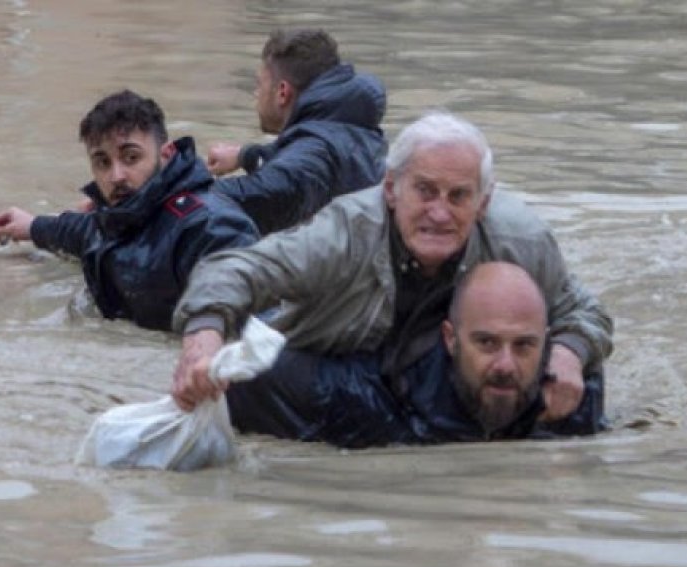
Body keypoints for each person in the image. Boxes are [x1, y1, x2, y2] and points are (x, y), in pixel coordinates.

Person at [171, 111, 613, 425]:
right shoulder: (342, 234)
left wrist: (570, 352)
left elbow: (584, 313)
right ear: (390, 189)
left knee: (583, 385)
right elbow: (233, 270)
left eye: (458, 196)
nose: (439, 213)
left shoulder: (522, 241)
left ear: (484, 203)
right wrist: (203, 340)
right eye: (425, 191)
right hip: (342, 369)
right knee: (245, 380)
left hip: (443, 375)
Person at [224, 262, 607, 448]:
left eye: (524, 346)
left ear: (546, 342)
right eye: (486, 344)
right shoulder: (364, 398)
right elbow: (245, 374)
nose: (506, 365)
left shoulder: (571, 398)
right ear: (451, 339)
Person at [0, 89, 259, 331]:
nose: (116, 175)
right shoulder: (118, 218)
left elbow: (259, 323)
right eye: (102, 162)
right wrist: (32, 227)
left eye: (131, 157)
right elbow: (83, 231)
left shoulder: (209, 227)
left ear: (166, 155)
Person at [206, 28, 387, 235]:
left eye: (260, 85)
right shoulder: (349, 128)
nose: (256, 94)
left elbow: (274, 189)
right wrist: (244, 156)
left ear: (282, 92)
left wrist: (180, 192)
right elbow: (298, 161)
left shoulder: (315, 151)